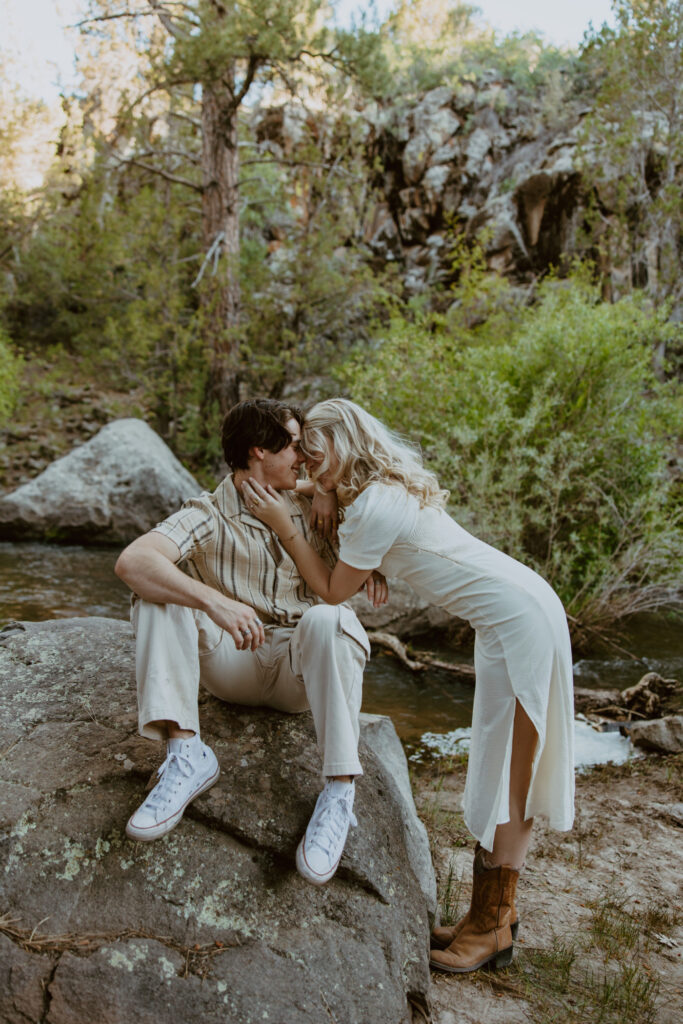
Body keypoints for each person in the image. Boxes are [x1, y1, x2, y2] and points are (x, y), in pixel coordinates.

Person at [241, 398, 575, 974]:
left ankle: (495, 927)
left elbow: (329, 590)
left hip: (522, 623)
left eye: (316, 457)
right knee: (495, 764)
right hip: (508, 618)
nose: (308, 468)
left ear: (343, 446)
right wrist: (320, 491)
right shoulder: (379, 490)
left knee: (513, 778)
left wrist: (283, 525)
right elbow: (340, 501)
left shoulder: (374, 507)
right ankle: (483, 918)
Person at [115, 398, 387, 886]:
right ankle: (186, 754)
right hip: (232, 663)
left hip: (298, 672)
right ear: (260, 451)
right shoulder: (207, 512)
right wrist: (212, 602)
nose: (303, 458)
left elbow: (383, 495)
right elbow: (134, 561)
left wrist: (326, 491)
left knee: (331, 619)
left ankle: (339, 793)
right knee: (156, 593)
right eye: (295, 448)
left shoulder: (314, 504)